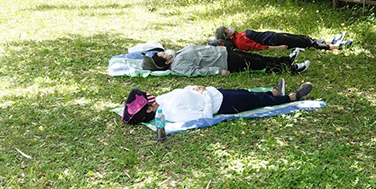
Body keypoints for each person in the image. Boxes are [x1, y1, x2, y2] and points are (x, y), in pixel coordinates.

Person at [121, 81, 314, 125]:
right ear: (148, 108)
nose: (150, 95)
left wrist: (191, 87)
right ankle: (291, 97)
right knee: (257, 101)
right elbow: (205, 117)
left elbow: (181, 93)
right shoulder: (171, 113)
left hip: (217, 93)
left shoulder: (161, 100)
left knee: (248, 93)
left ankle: (273, 92)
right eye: (147, 98)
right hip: (222, 104)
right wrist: (204, 95)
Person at [142, 44, 311, 76]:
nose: (163, 52)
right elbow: (196, 72)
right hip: (224, 63)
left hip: (222, 53)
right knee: (259, 65)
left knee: (257, 58)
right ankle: (293, 69)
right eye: (161, 55)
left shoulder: (177, 55)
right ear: (165, 63)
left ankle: (286, 60)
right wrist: (218, 71)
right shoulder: (178, 65)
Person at [211, 26, 352, 51]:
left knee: (302, 38)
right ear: (226, 36)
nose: (229, 29)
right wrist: (277, 48)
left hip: (273, 35)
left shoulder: (238, 35)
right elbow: (258, 47)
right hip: (274, 41)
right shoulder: (240, 42)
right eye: (226, 30)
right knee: (304, 43)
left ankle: (330, 40)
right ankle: (336, 46)